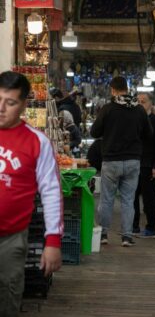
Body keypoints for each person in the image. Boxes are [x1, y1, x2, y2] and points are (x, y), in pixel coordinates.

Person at [0, 71, 63, 317]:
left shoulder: (38, 142)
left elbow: (51, 192)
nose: (1, 108)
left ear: (24, 104)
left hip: (11, 238)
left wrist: (53, 242)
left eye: (11, 102)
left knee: (7, 296)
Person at [90, 76, 152, 247]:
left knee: (106, 199)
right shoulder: (139, 110)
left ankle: (103, 235)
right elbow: (149, 134)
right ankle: (126, 236)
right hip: (133, 161)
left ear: (113, 90)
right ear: (127, 88)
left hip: (111, 161)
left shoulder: (108, 109)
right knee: (128, 200)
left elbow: (94, 132)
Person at [133, 93, 155, 238]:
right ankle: (133, 226)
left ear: (150, 104)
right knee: (132, 198)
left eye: (144, 101)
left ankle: (151, 227)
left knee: (149, 199)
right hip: (133, 164)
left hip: (149, 166)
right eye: (138, 102)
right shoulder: (132, 120)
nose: (141, 104)